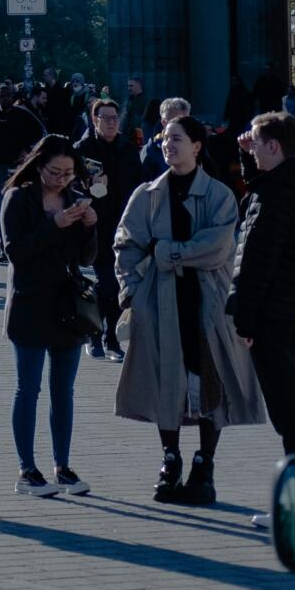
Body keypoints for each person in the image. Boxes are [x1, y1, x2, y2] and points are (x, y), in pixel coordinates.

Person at [115, 113, 265, 505]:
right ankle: (170, 459)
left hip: (208, 304)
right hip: (159, 303)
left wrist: (167, 252)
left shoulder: (218, 195)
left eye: (177, 139)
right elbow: (126, 246)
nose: (168, 145)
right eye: (165, 138)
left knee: (209, 381)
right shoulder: (146, 195)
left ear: (197, 146)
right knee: (167, 382)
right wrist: (131, 295)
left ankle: (205, 462)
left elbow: (217, 248)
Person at [0, 134, 97, 496]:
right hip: (28, 303)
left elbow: (86, 258)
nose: (62, 179)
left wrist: (89, 225)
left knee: (64, 391)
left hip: (67, 307)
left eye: (69, 173)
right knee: (28, 388)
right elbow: (16, 252)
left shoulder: (74, 198)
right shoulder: (18, 198)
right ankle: (27, 469)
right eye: (55, 172)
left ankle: (63, 466)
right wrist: (53, 226)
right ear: (39, 167)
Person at [229, 111, 295, 472]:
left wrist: (245, 321)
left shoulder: (274, 198)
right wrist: (245, 158)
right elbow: (262, 187)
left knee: (289, 412)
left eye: (256, 143)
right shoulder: (290, 184)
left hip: (271, 314)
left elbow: (257, 264)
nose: (251, 147)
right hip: (287, 308)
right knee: (294, 407)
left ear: (273, 146)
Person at [76, 98, 142, 359]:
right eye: (106, 118)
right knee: (107, 283)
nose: (112, 123)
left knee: (116, 285)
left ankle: (111, 339)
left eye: (115, 118)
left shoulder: (127, 148)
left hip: (124, 227)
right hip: (96, 228)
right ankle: (96, 335)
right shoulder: (83, 149)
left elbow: (140, 184)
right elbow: (71, 186)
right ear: (95, 121)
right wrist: (89, 186)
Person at [0, 83, 44, 247]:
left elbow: (39, 133)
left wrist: (28, 151)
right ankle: (4, 247)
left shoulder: (23, 115)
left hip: (19, 167)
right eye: (0, 95)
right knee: (1, 206)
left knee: (21, 204)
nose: (4, 98)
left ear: (12, 97)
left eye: (7, 95)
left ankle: (22, 242)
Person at [140, 96, 192, 181]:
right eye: (177, 121)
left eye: (186, 121)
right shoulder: (151, 151)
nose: (182, 126)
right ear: (164, 123)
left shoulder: (195, 147)